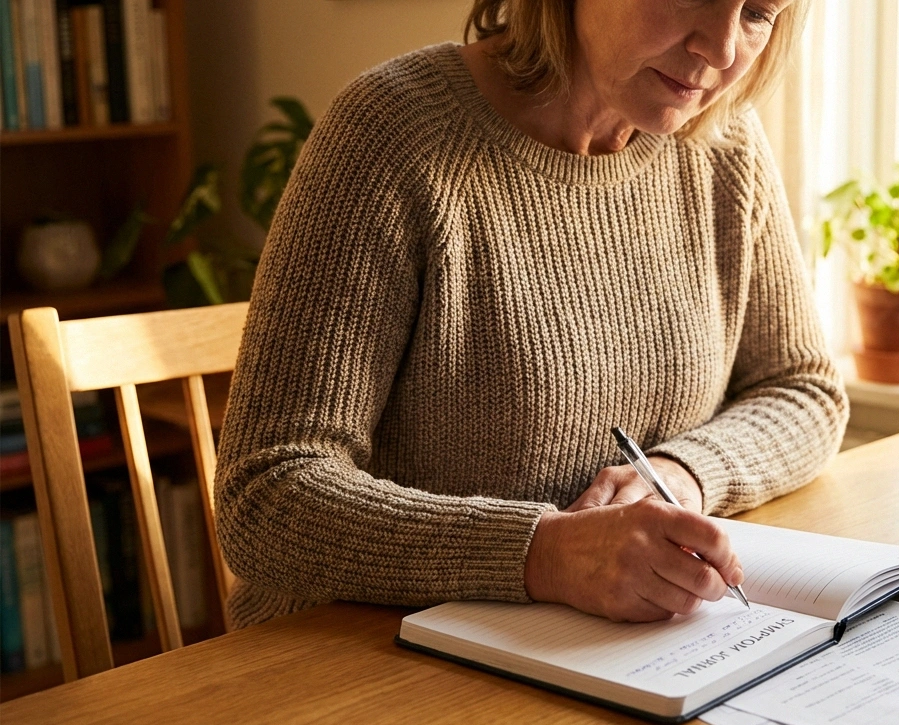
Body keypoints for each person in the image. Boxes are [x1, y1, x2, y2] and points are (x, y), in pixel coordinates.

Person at [214, 0, 845, 629]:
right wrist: (543, 554)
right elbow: (265, 495)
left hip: (595, 657)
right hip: (355, 662)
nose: (723, 49)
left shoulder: (723, 141)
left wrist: (683, 475)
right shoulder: (394, 134)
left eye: (759, 12)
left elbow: (803, 388)